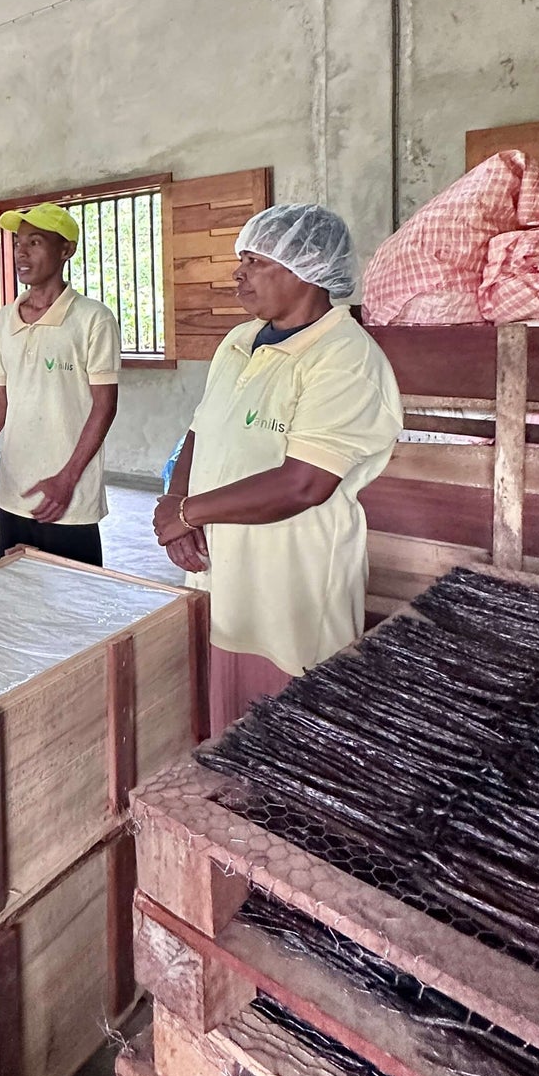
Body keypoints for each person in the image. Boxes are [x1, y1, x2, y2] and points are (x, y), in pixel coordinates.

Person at [152, 205, 401, 736]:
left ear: (306, 268)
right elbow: (199, 430)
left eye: (255, 261)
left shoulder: (344, 357)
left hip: (293, 579)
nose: (237, 273)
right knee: (225, 717)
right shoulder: (238, 341)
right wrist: (177, 504)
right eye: (241, 260)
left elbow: (304, 483)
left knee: (294, 726)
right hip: (219, 566)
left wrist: (188, 513)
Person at [0, 203, 121, 565]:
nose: (21, 252)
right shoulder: (4, 321)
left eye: (35, 242)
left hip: (69, 499)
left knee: (74, 592)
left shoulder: (93, 319)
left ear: (66, 250)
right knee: (17, 588)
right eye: (18, 243)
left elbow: (104, 406)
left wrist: (67, 480)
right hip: (13, 492)